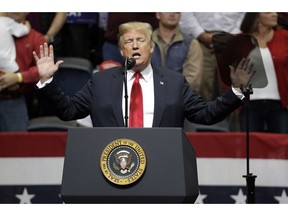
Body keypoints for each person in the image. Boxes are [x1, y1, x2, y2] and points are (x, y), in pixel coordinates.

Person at [33, 21, 254, 128]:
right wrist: (47, 80)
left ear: (151, 48)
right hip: (112, 167)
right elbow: (68, 110)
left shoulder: (174, 82)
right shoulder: (100, 81)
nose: (135, 46)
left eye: (141, 41)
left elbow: (206, 115)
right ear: (122, 51)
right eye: (129, 42)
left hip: (162, 165)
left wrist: (236, 91)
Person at [237, 12, 288, 133]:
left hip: (280, 105)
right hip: (249, 105)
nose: (274, 14)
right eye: (268, 11)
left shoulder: (285, 37)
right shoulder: (240, 41)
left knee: (279, 148)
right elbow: (228, 73)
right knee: (251, 148)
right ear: (256, 15)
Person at [0, 12, 45, 131]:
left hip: (13, 101)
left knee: (16, 146)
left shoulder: (36, 38)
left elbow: (44, 69)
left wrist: (18, 77)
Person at [151, 12, 202, 92]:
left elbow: (193, 79)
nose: (172, 14)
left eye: (177, 11)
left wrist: (170, 93)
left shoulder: (191, 43)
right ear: (158, 14)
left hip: (180, 98)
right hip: (150, 94)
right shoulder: (146, 41)